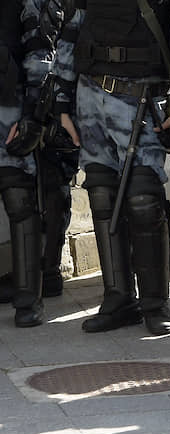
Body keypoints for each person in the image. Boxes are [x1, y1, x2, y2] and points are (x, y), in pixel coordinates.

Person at [54, 0, 170, 336]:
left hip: (140, 95)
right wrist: (61, 99)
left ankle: (155, 303)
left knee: (143, 199)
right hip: (90, 94)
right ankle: (119, 298)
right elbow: (72, 27)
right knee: (101, 194)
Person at [0, 0, 64, 327]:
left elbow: (40, 49)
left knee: (19, 198)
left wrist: (32, 115)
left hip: (8, 107)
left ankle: (28, 299)